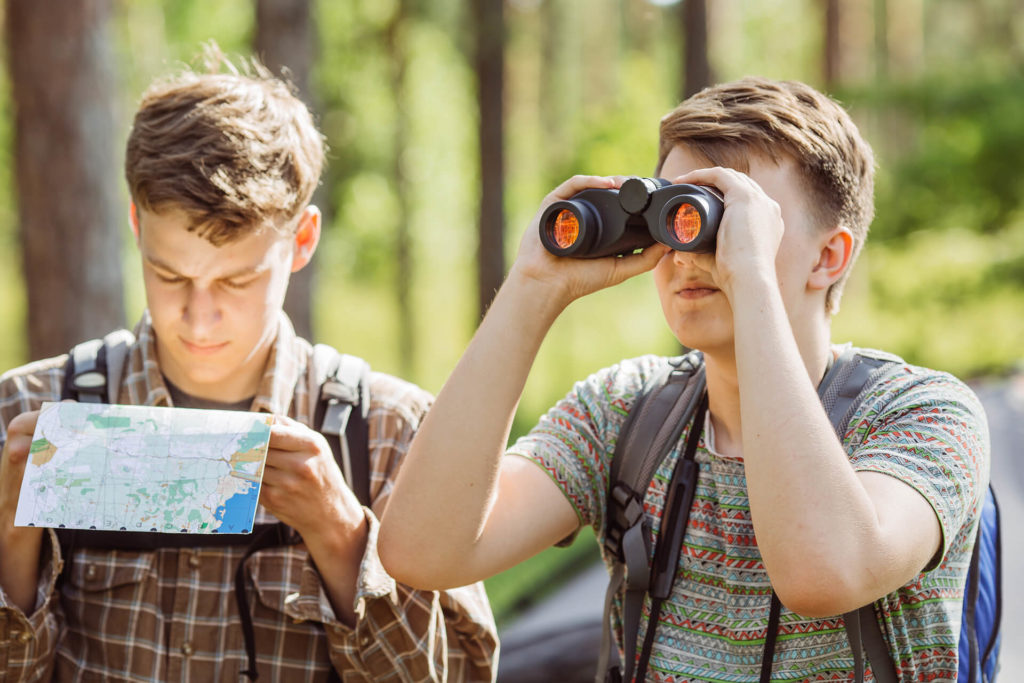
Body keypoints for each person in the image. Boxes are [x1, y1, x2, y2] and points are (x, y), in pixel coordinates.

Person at [379, 77, 990, 680]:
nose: (689, 253)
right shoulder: (625, 409)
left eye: (731, 221)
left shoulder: (926, 414)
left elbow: (823, 572)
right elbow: (422, 551)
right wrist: (533, 288)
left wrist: (748, 277)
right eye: (675, 216)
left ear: (829, 257)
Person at [0, 48, 496, 682]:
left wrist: (342, 537)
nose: (198, 317)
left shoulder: (395, 433)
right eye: (169, 274)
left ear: (304, 240)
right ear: (135, 226)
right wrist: (14, 550)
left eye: (236, 280)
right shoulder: (27, 412)